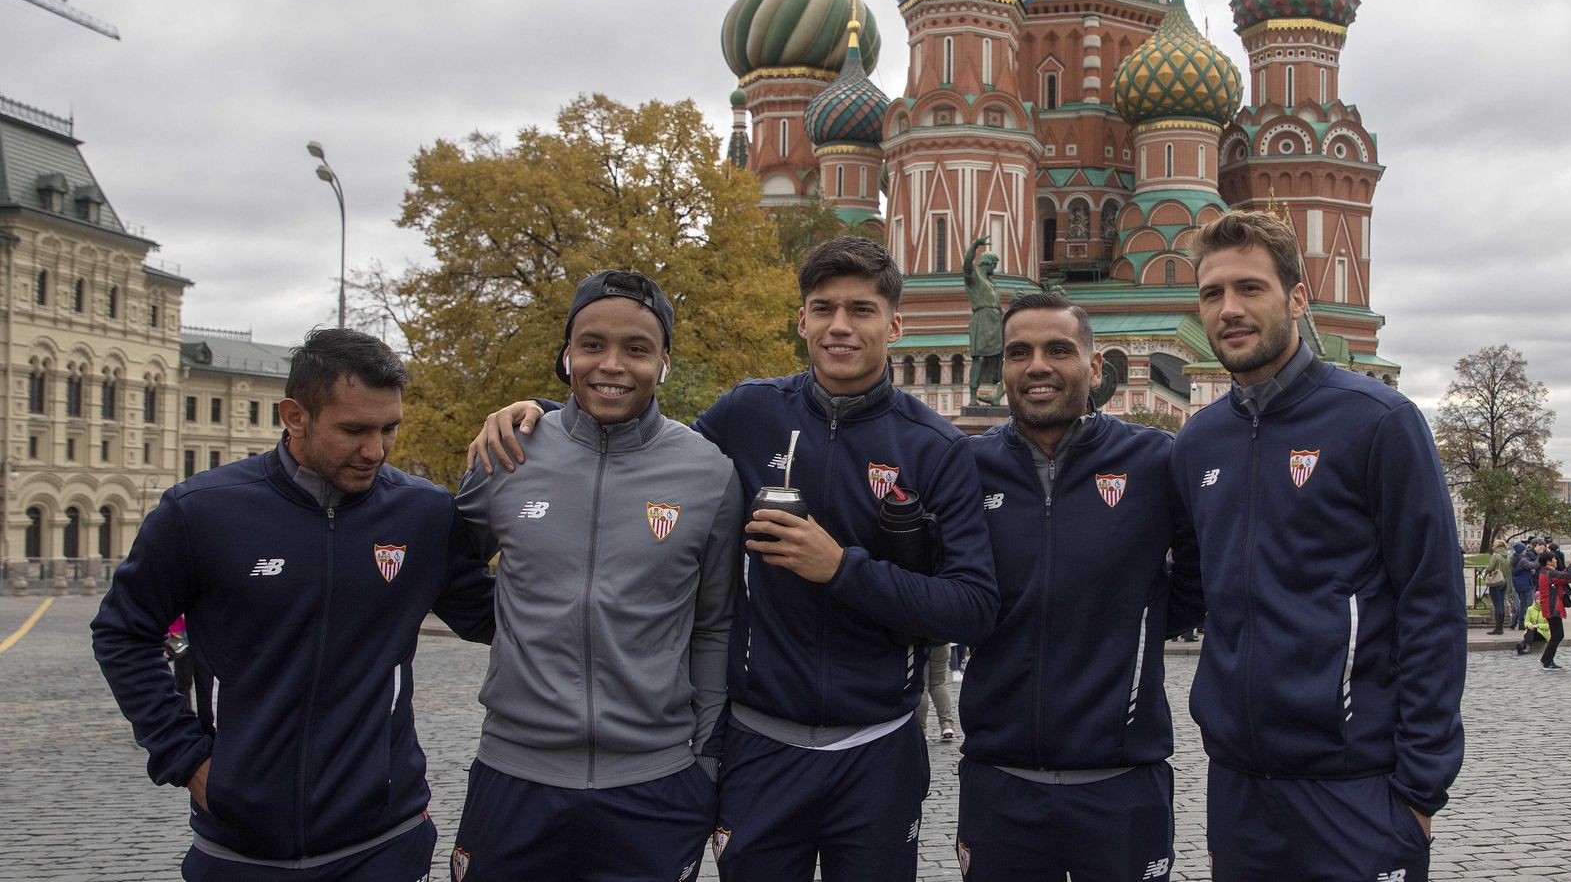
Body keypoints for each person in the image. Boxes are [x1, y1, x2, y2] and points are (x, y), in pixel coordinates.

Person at [468, 237, 998, 882]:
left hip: (877, 743)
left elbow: (971, 608)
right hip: (757, 741)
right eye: (822, 307)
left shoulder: (935, 445)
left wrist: (841, 568)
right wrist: (552, 417)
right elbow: (646, 452)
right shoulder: (750, 412)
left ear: (894, 324)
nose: (839, 326)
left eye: (860, 310)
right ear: (801, 320)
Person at [92, 328, 496, 881]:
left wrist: (550, 423)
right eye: (353, 430)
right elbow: (122, 633)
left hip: (387, 842)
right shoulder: (202, 513)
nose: (374, 450)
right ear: (294, 415)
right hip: (239, 851)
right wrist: (185, 758)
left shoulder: (423, 513)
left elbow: (494, 617)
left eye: (389, 428)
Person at [1171, 211, 1465, 881]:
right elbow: (1186, 589)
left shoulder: (1378, 422)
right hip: (1240, 790)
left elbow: (1433, 602)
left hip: (1355, 788)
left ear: (1298, 298)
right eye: (1212, 293)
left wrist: (1418, 792)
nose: (1230, 309)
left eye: (1250, 288)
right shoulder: (1199, 442)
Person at [447, 271, 743, 881]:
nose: (612, 365)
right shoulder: (506, 453)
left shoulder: (708, 473)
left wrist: (704, 762)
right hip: (514, 777)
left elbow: (713, 626)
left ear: (663, 361)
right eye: (592, 345)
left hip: (654, 786)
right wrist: (511, 628)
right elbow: (450, 567)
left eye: (636, 349)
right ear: (566, 356)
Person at [955, 291, 1202, 882]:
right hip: (999, 781)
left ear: (1095, 368)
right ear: (1002, 368)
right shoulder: (965, 467)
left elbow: (1198, 576)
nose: (1037, 365)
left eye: (1058, 350)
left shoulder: (1154, 461)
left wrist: (1128, 620)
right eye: (1019, 352)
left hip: (1122, 782)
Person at [962, 236, 1003, 405]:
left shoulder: (991, 282)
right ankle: (973, 396)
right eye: (994, 264)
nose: (995, 268)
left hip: (995, 321)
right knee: (979, 358)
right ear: (987, 263)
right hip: (982, 320)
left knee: (1002, 358)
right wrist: (975, 246)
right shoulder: (974, 277)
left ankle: (997, 396)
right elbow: (966, 264)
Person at [1533, 550, 1571, 670]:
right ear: (1549, 561)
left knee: (1557, 635)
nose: (1556, 560)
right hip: (1552, 607)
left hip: (1550, 607)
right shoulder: (1549, 573)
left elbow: (1561, 576)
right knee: (1557, 635)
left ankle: (1545, 659)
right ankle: (1547, 661)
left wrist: (1569, 567)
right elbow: (1567, 577)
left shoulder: (1546, 572)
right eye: (1554, 559)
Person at [919, 643, 957, 742]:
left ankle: (921, 729)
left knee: (922, 686)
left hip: (920, 642)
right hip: (941, 641)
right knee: (938, 684)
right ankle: (946, 724)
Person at [1485, 540, 1511, 634]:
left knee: (1497, 606)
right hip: (1504, 581)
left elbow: (1489, 567)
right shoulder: (1507, 556)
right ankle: (1501, 627)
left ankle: (1498, 628)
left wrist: (1486, 574)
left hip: (1496, 582)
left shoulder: (1496, 555)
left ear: (1497, 546)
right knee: (1501, 605)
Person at [1510, 540, 1536, 630]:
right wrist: (1540, 556)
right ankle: (1524, 623)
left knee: (1522, 604)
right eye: (1524, 550)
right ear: (1521, 550)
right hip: (1525, 584)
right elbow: (1534, 565)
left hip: (1519, 584)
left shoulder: (1515, 558)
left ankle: (1515, 622)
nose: (1525, 551)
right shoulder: (1523, 560)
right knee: (1528, 604)